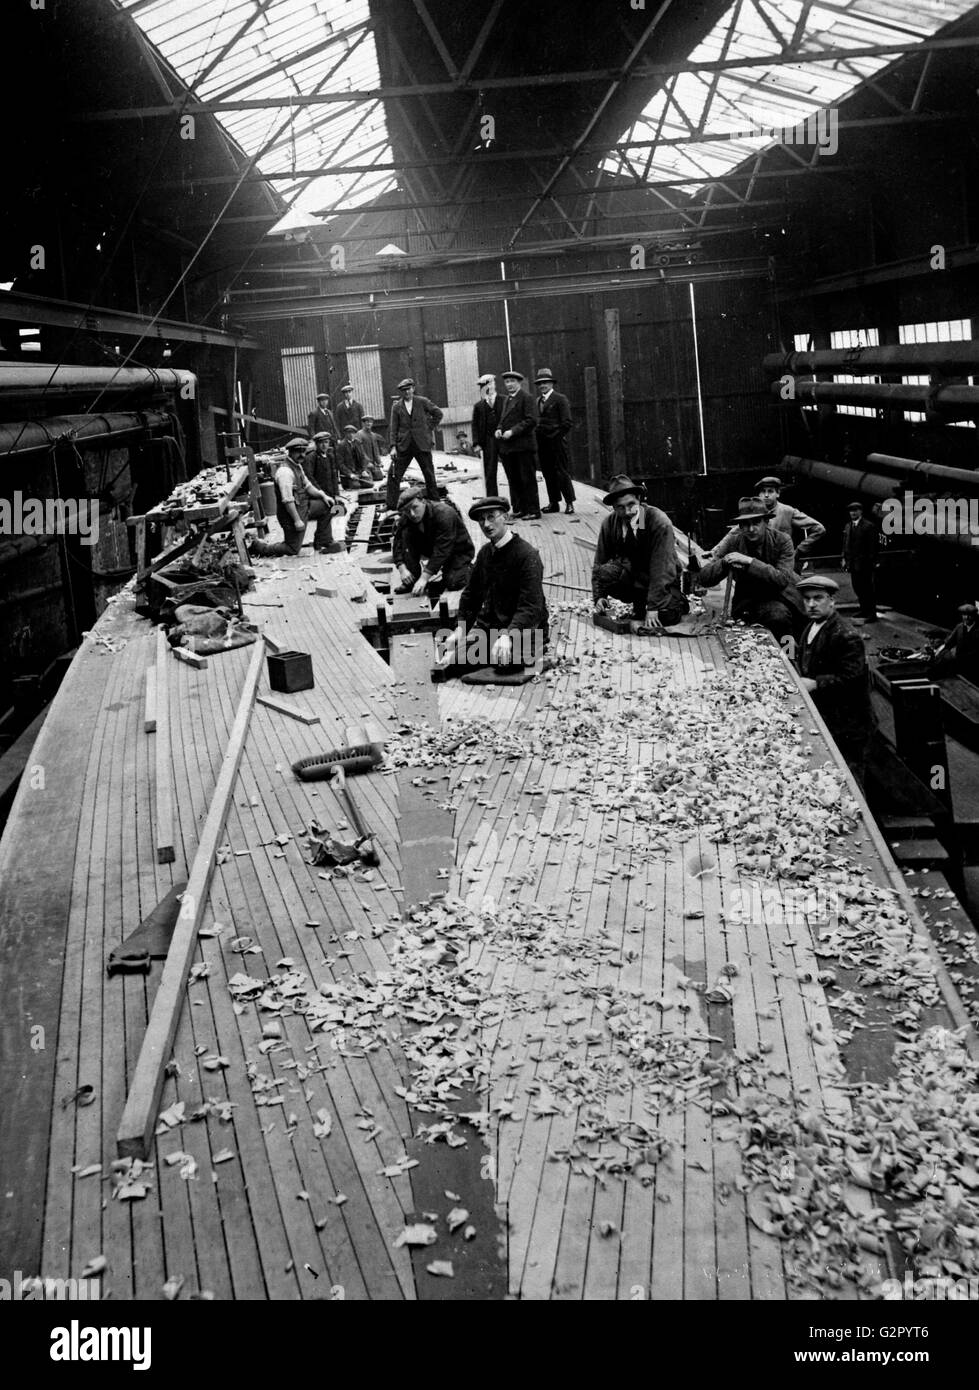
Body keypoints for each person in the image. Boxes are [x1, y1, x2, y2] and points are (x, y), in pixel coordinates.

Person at [434, 497, 548, 674]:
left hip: (526, 631)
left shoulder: (527, 555)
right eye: (481, 519)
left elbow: (531, 607)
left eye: (491, 517)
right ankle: (485, 650)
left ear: (505, 517)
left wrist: (508, 635)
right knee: (450, 660)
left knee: (504, 664)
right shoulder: (485, 553)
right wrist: (461, 629)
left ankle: (523, 650)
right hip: (493, 630)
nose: (486, 524)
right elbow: (471, 595)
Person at [795, 574, 873, 781]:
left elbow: (852, 679)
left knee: (850, 779)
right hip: (829, 715)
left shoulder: (846, 635)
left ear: (832, 601)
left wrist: (815, 683)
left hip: (849, 724)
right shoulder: (811, 627)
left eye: (818, 598)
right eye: (807, 599)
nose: (811, 604)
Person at [699, 496, 805, 640]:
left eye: (756, 522)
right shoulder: (733, 542)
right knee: (775, 618)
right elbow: (705, 579)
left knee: (787, 623)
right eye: (745, 524)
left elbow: (782, 579)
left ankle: (790, 655)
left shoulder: (782, 540)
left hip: (782, 596)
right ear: (740, 526)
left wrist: (749, 561)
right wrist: (724, 561)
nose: (750, 529)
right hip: (748, 602)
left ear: (766, 522)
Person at [592, 476, 688, 629]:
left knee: (666, 617)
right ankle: (640, 601)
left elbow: (662, 567)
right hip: (635, 577)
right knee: (606, 572)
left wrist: (654, 607)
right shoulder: (609, 524)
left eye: (631, 504)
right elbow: (599, 562)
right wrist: (599, 596)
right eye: (620, 507)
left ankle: (677, 600)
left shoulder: (658, 522)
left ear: (639, 500)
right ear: (614, 508)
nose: (628, 512)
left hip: (663, 578)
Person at [249, 437, 345, 557]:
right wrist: (297, 521)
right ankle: (259, 547)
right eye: (297, 451)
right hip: (290, 515)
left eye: (303, 451)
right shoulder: (285, 472)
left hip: (304, 507)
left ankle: (324, 541)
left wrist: (323, 496)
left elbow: (308, 486)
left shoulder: (297, 466)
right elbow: (287, 500)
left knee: (328, 505)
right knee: (292, 549)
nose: (301, 455)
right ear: (290, 452)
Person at [392, 486, 475, 604]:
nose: (412, 514)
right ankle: (412, 579)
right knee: (405, 534)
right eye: (406, 511)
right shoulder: (407, 516)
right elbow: (398, 543)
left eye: (415, 507)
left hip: (457, 551)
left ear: (423, 501)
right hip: (432, 548)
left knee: (453, 582)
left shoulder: (444, 513)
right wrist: (402, 568)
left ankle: (469, 569)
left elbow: (442, 549)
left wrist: (424, 578)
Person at [386, 378, 443, 508]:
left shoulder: (422, 402)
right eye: (404, 390)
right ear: (401, 392)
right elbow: (393, 428)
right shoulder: (396, 407)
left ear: (413, 389)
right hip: (404, 446)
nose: (407, 392)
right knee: (393, 475)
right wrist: (393, 447)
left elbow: (438, 414)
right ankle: (390, 505)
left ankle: (435, 502)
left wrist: (428, 428)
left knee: (429, 473)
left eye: (409, 389)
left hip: (421, 444)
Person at [754, 475, 825, 571]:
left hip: (783, 566)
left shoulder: (788, 511)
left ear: (778, 494)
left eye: (770, 491)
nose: (766, 495)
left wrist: (799, 550)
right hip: (760, 565)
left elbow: (819, 529)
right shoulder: (753, 513)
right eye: (763, 491)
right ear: (759, 495)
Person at [495, 370, 540, 519]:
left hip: (523, 446)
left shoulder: (526, 398)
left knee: (527, 479)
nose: (509, 385)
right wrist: (499, 429)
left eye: (512, 381)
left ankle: (533, 511)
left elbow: (531, 420)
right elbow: (503, 419)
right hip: (509, 448)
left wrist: (513, 432)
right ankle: (520, 508)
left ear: (519, 383)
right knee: (514, 479)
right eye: (507, 382)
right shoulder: (507, 400)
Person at [534, 368, 576, 515]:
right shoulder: (538, 401)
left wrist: (555, 436)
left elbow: (567, 423)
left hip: (557, 443)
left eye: (545, 382)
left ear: (551, 383)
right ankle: (554, 503)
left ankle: (569, 503)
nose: (542, 386)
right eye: (540, 383)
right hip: (542, 444)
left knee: (561, 472)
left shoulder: (560, 399)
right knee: (548, 473)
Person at [842, 500, 879, 623]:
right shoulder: (848, 526)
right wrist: (844, 558)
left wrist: (872, 563)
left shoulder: (868, 526)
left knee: (867, 589)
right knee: (857, 587)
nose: (852, 513)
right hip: (853, 563)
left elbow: (873, 547)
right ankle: (864, 610)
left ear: (860, 511)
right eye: (851, 511)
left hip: (865, 564)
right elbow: (845, 544)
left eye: (855, 510)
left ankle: (871, 614)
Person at [931, 602, 979, 685]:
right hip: (958, 665)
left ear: (974, 616)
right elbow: (948, 644)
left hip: (974, 667)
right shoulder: (959, 627)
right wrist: (938, 654)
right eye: (964, 615)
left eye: (969, 615)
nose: (966, 617)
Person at [471, 372, 503, 495]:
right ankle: (493, 500)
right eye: (483, 385)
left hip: (504, 440)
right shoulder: (479, 406)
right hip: (488, 442)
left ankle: (518, 506)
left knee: (511, 471)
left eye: (489, 384)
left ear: (494, 384)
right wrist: (476, 444)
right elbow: (474, 426)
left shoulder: (504, 400)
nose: (487, 387)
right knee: (489, 472)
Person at [305, 431, 341, 501]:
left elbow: (334, 477)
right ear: (316, 444)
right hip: (318, 495)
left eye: (326, 442)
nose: (324, 445)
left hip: (330, 494)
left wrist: (336, 494)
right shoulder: (312, 457)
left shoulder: (330, 456)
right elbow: (310, 478)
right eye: (321, 443)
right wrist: (321, 493)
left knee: (341, 509)